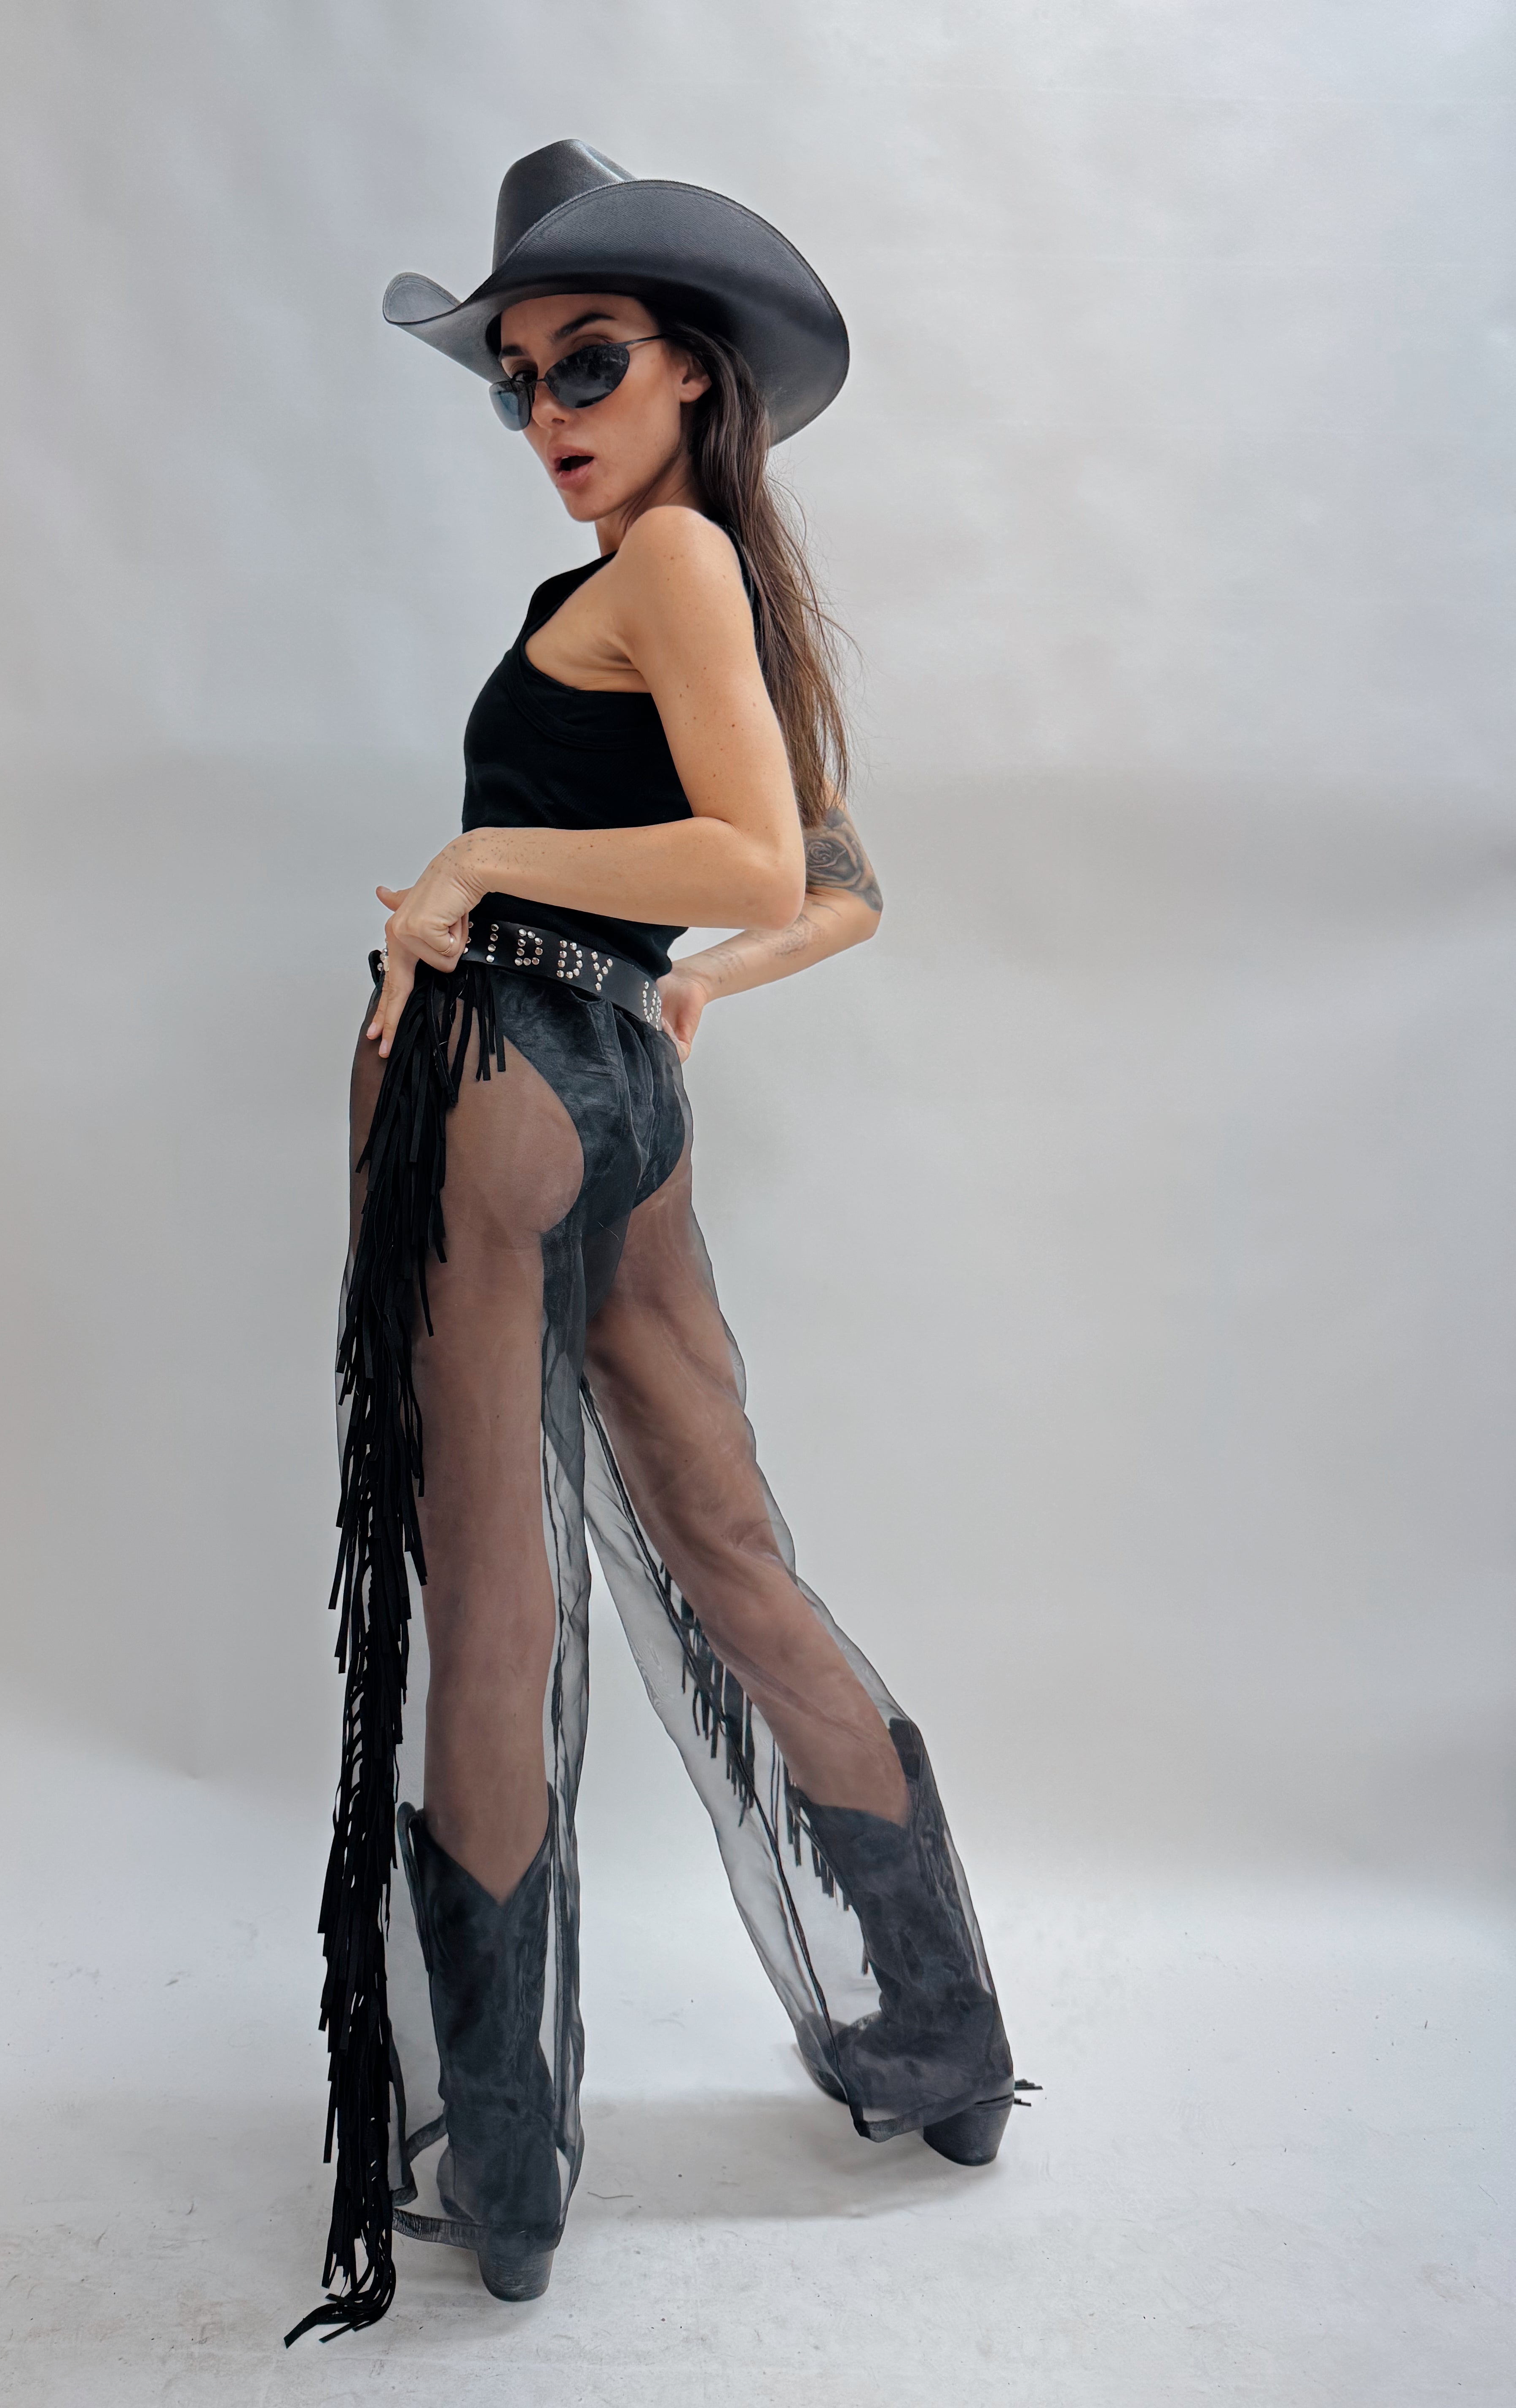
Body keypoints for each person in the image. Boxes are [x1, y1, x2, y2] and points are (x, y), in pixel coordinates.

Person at [288, 139, 1025, 2346]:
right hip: (616, 1081)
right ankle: (937, 2044)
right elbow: (832, 883)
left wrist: (467, 875)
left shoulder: (673, 561)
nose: (548, 412)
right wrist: (693, 990)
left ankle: (506, 2177)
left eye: (587, 362)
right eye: (520, 377)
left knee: (496, 1603)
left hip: (502, 1080)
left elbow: (750, 850)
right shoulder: (690, 581)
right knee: (727, 1547)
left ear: (695, 369)